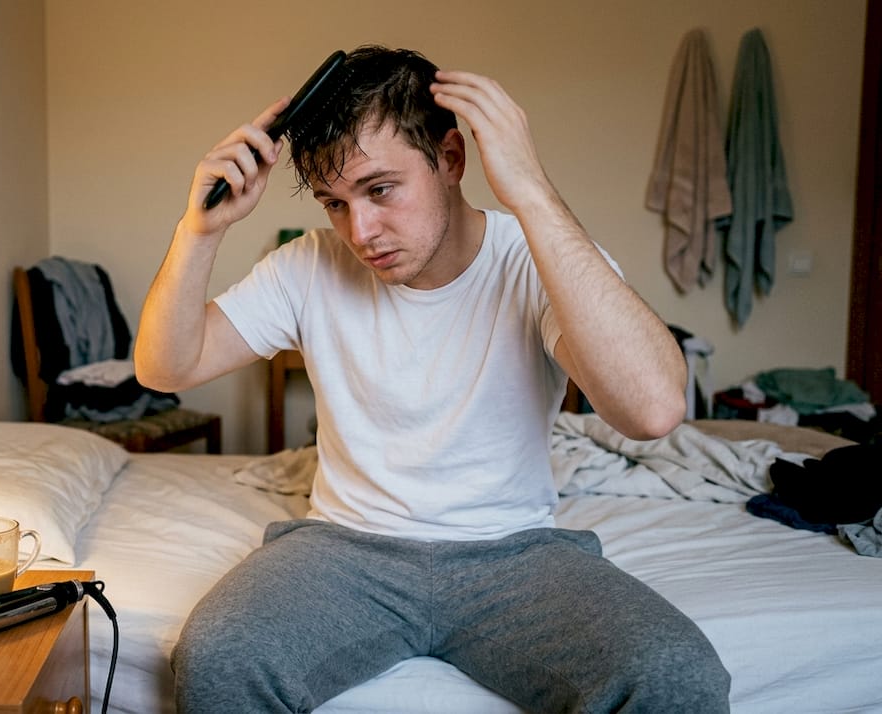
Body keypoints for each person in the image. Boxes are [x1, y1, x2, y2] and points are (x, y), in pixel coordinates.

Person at [134, 45, 730, 713]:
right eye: (335, 203)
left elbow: (653, 410)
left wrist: (530, 188)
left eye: (380, 189)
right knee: (219, 658)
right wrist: (199, 231)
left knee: (675, 673)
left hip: (516, 556)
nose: (361, 231)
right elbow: (165, 367)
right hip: (344, 550)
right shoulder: (308, 266)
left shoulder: (535, 260)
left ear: (450, 160)